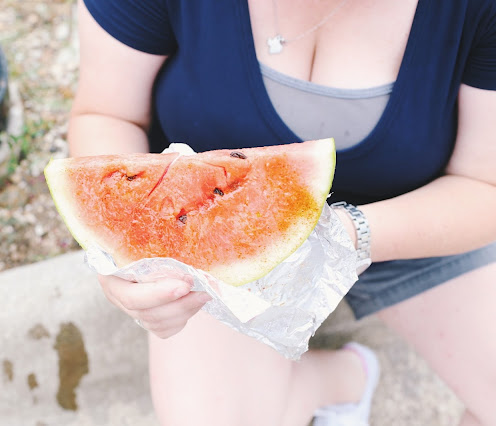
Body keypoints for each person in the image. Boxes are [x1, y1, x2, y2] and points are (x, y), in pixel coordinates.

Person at [67, 0, 496, 424]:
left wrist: (341, 235)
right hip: (207, 234)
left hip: (415, 223)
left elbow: (484, 184)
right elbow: (108, 114)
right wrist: (123, 256)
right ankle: (342, 381)